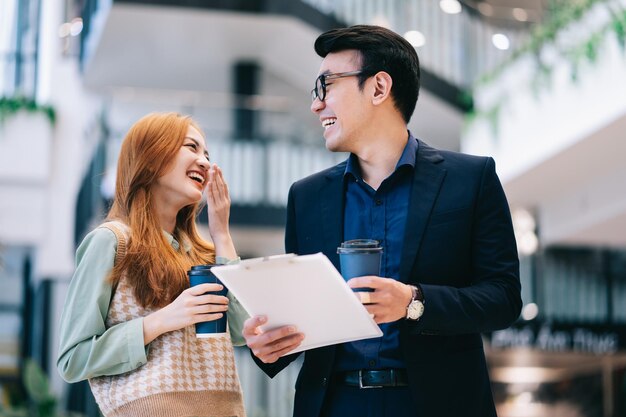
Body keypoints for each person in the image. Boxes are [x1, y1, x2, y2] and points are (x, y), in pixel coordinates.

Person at [242, 25, 522, 417]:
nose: (316, 105)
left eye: (327, 86)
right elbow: (305, 317)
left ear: (378, 88)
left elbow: (504, 298)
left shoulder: (469, 179)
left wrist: (413, 302)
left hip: (437, 404)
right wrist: (268, 346)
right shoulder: (306, 196)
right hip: (335, 404)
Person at [57, 112, 248, 417]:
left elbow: (242, 330)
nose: (204, 162)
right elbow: (73, 358)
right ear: (151, 158)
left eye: (207, 154)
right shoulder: (112, 242)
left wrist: (222, 233)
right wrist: (162, 321)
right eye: (191, 147)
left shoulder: (204, 253)